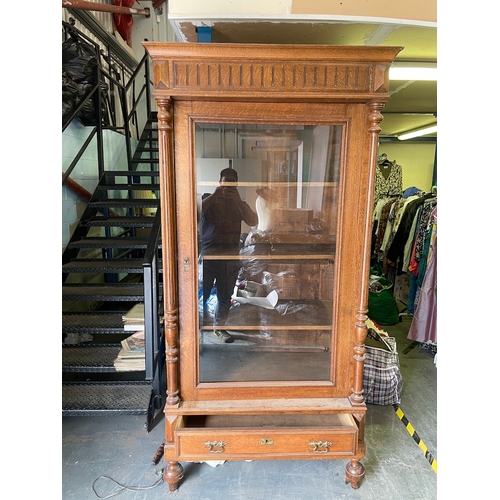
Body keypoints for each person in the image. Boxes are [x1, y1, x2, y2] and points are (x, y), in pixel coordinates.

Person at [200, 167, 258, 343]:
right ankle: (198, 326)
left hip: (230, 257)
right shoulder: (207, 199)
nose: (228, 185)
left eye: (232, 181)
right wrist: (216, 195)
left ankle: (220, 328)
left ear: (237, 184)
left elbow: (253, 221)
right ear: (220, 182)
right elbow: (195, 211)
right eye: (226, 181)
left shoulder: (239, 203)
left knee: (224, 295)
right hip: (209, 256)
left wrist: (239, 201)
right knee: (202, 292)